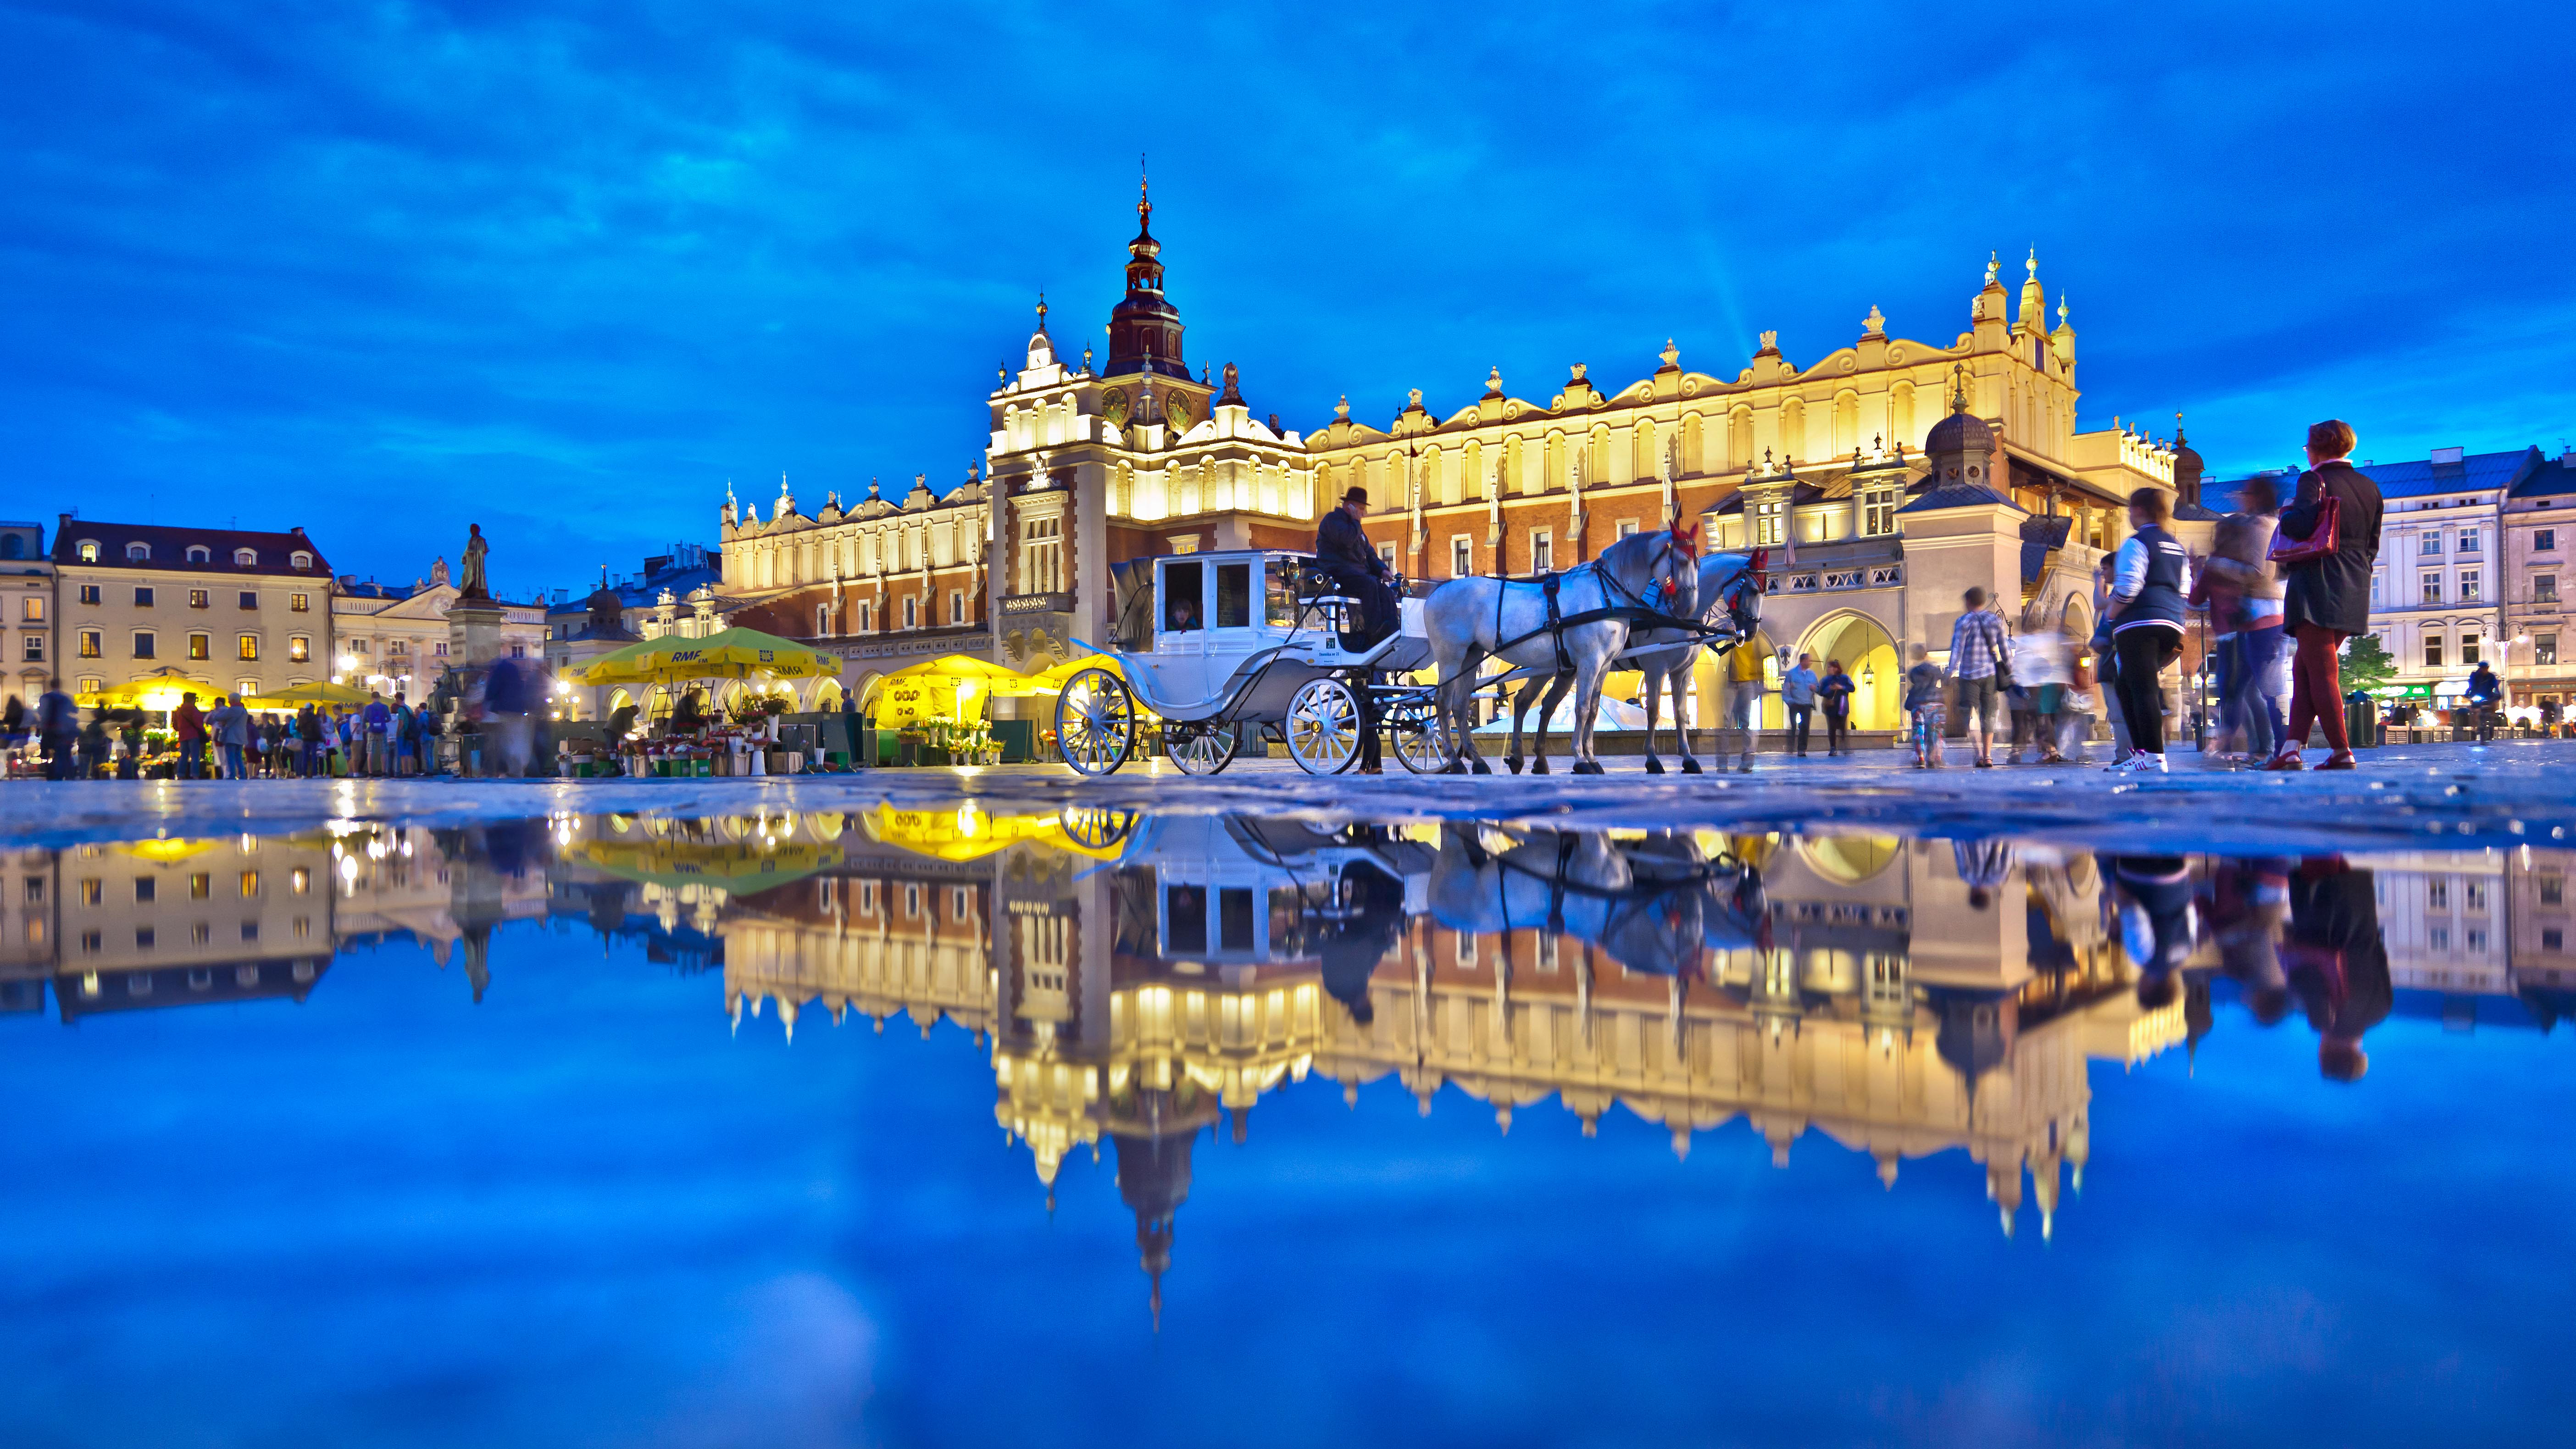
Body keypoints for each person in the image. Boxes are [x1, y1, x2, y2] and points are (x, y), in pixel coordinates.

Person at [2273, 419, 2384, 771]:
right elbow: (2373, 545)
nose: (2307, 454)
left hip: (2318, 580)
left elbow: (2302, 525)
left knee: (2322, 671)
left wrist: (2288, 512)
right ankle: (2290, 748)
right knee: (2304, 666)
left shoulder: (2314, 479)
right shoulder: (2370, 486)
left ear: (2318, 448)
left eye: (2308, 448)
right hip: (2356, 581)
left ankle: (2341, 750)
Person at [2102, 488, 2192, 774]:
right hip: (2171, 623)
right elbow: (2185, 588)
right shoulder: (2175, 546)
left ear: (2139, 510)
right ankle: (2141, 753)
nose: (2130, 515)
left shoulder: (2137, 542)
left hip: (2139, 623)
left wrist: (2112, 611)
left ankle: (2153, 755)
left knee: (2142, 688)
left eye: (2131, 510)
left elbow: (2129, 586)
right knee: (2126, 685)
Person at [2198, 475, 2287, 763]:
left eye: (2245, 495)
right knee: (2243, 688)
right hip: (2258, 617)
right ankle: (2260, 749)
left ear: (2256, 497)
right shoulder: (2269, 525)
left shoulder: (2261, 527)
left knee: (2267, 690)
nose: (2241, 499)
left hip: (2264, 616)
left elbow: (2259, 572)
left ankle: (2282, 750)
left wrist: (2217, 565)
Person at [1316, 485, 1399, 773]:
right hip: (1338, 573)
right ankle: (1375, 631)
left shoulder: (1356, 527)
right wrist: (1355, 523)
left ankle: (1388, 630)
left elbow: (1370, 555)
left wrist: (1383, 570)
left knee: (1385, 590)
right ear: (1351, 506)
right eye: (1361, 509)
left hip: (1358, 574)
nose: (1364, 514)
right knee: (1368, 585)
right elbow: (1349, 541)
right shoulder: (1335, 522)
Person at [1947, 587, 2009, 768]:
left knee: (1968, 714)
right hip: (1989, 674)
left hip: (1968, 675)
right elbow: (2004, 647)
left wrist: (1951, 670)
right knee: (1988, 715)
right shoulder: (1994, 620)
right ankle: (1988, 755)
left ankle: (1979, 754)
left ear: (1968, 601)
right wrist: (2010, 668)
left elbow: (1957, 647)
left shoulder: (1963, 621)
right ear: (1983, 601)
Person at [486, 657, 532, 777]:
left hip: (505, 709)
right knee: (518, 738)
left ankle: (513, 768)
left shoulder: (499, 671)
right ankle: (520, 768)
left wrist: (488, 700)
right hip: (519, 709)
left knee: (507, 741)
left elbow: (492, 690)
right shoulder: (515, 671)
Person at [1722, 642, 1765, 773]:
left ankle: (1747, 759)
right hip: (1731, 683)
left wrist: (1760, 683)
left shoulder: (1752, 640)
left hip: (1747, 683)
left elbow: (1758, 660)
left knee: (1745, 721)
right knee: (1725, 722)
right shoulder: (1731, 636)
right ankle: (1723, 760)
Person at [1904, 643, 1946, 768]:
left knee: (1918, 732)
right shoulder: (1935, 669)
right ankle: (1934, 758)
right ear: (1925, 655)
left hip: (1918, 704)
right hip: (1934, 703)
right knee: (1935, 732)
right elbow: (1945, 679)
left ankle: (1920, 759)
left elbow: (1915, 685)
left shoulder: (1913, 672)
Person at [1782, 652, 1819, 757]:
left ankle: (1802, 749)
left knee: (1805, 726)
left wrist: (1815, 688)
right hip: (1794, 703)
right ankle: (1791, 746)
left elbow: (1818, 688)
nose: (1810, 662)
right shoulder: (1792, 674)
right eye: (1809, 660)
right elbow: (1786, 690)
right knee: (1793, 725)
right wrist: (1790, 702)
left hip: (1807, 704)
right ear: (1803, 661)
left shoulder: (1812, 674)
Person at [1817, 658, 1856, 757]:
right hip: (1830, 707)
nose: (1828, 669)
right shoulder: (1826, 680)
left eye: (1830, 667)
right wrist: (1829, 689)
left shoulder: (1845, 678)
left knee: (1843, 727)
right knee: (1832, 727)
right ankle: (1833, 748)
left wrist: (1841, 687)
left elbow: (1852, 688)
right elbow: (1820, 692)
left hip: (1842, 706)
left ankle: (1844, 746)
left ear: (1835, 668)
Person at [2465, 661, 2504, 743]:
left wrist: (2498, 694)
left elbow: (2495, 687)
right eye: (2483, 668)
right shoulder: (2475, 676)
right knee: (2474, 711)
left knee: (2492, 709)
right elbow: (2471, 685)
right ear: (2480, 668)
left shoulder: (2491, 677)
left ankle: (2491, 726)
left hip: (2488, 696)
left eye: (2486, 668)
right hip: (2477, 696)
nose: (2485, 670)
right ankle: (2474, 727)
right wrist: (2468, 693)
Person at [174, 692, 207, 780]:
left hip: (183, 735)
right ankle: (195, 774)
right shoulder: (194, 710)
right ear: (193, 699)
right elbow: (199, 722)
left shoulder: (179, 711)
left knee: (184, 755)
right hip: (194, 735)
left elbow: (175, 726)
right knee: (195, 756)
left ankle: (180, 775)